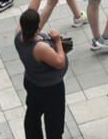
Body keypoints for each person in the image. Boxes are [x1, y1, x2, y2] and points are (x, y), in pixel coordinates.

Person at [16, 7, 70, 139]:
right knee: (54, 121)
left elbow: (32, 8)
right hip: (50, 89)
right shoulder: (39, 47)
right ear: (38, 26)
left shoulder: (18, 36)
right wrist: (57, 42)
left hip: (32, 82)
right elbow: (60, 62)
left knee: (33, 113)